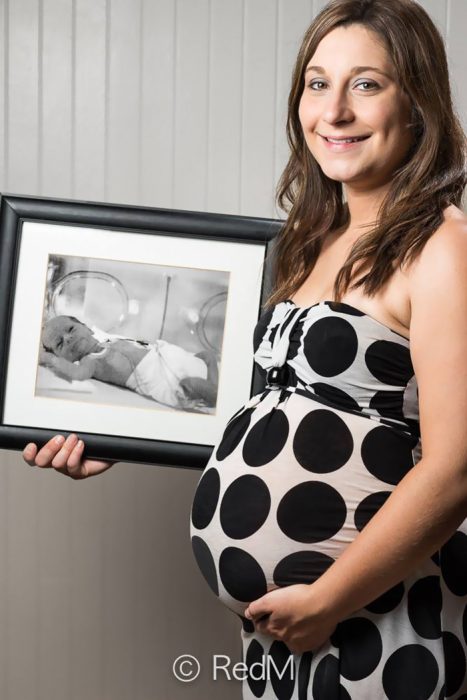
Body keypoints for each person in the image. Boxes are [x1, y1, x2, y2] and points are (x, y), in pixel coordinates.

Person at [23, 0, 467, 696]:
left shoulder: (440, 249)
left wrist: (330, 600)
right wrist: (134, 434)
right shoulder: (309, 240)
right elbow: (270, 411)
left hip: (379, 623)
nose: (334, 111)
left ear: (417, 104)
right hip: (282, 638)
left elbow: (455, 469)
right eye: (317, 84)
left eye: (366, 84)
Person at [39, 314, 219, 410]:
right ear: (62, 357)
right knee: (190, 383)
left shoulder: (108, 341)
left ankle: (211, 371)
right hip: (157, 379)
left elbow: (137, 344)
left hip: (161, 357)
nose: (68, 338)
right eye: (60, 343)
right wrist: (48, 359)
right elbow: (77, 374)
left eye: (71, 329)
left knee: (202, 356)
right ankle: (215, 396)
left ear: (85, 327)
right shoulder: (90, 361)